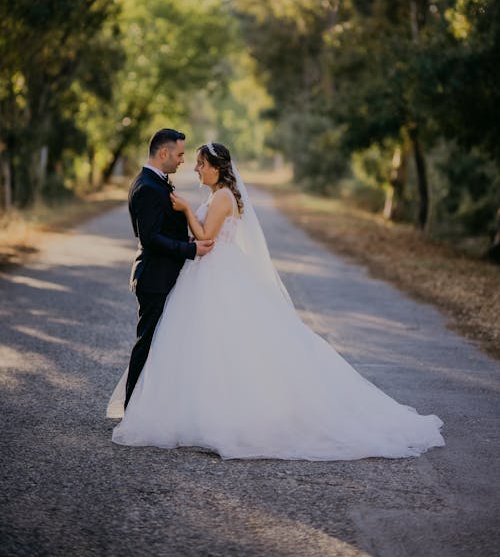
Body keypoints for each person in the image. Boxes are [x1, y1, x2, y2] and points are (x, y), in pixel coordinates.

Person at [108, 142, 444, 461]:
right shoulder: (218, 194)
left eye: (200, 163)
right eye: (193, 161)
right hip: (208, 273)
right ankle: (199, 408)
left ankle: (232, 414)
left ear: (216, 167)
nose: (195, 168)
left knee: (227, 341)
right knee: (206, 344)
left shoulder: (223, 196)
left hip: (219, 272)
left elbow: (206, 237)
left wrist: (183, 210)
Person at [121, 128, 214, 410]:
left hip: (161, 274)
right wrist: (190, 249)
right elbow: (149, 238)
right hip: (154, 276)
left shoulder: (156, 181)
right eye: (180, 154)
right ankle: (132, 410)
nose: (183, 161)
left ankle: (150, 406)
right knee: (147, 343)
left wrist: (183, 239)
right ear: (164, 153)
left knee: (160, 342)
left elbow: (160, 229)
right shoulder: (148, 186)